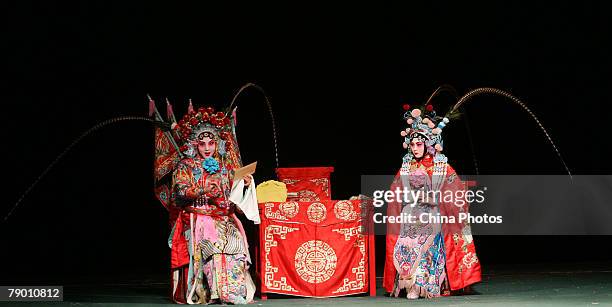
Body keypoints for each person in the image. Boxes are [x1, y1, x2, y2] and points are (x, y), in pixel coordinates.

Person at [383, 104, 482, 299]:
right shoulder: (406, 167)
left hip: (435, 216)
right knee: (406, 237)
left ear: (428, 144)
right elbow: (394, 195)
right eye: (412, 145)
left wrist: (437, 202)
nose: (415, 148)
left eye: (418, 144)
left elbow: (456, 192)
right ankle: (408, 283)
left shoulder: (441, 166)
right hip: (411, 217)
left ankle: (427, 283)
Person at [168, 105, 258, 304]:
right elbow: (180, 192)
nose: (207, 148)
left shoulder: (227, 167)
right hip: (198, 217)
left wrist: (244, 184)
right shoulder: (186, 166)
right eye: (202, 144)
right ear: (195, 145)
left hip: (224, 218)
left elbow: (234, 197)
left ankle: (235, 290)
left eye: (211, 143)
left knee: (237, 248)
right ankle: (217, 292)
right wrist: (202, 190)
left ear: (217, 144)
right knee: (214, 246)